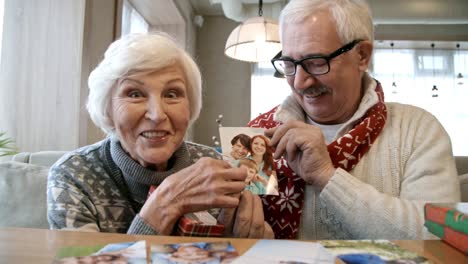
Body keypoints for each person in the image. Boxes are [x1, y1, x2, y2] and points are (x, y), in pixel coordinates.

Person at [248, 0, 460, 240]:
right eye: (289, 63)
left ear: (362, 55)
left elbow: (439, 238)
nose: (299, 82)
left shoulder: (418, 131)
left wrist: (326, 176)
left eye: (316, 62)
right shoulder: (258, 134)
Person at [47, 32, 272, 238]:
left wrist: (247, 241)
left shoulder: (215, 165)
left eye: (172, 94)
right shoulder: (73, 175)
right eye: (134, 94)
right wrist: (166, 204)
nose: (157, 114)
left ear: (190, 106)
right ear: (107, 109)